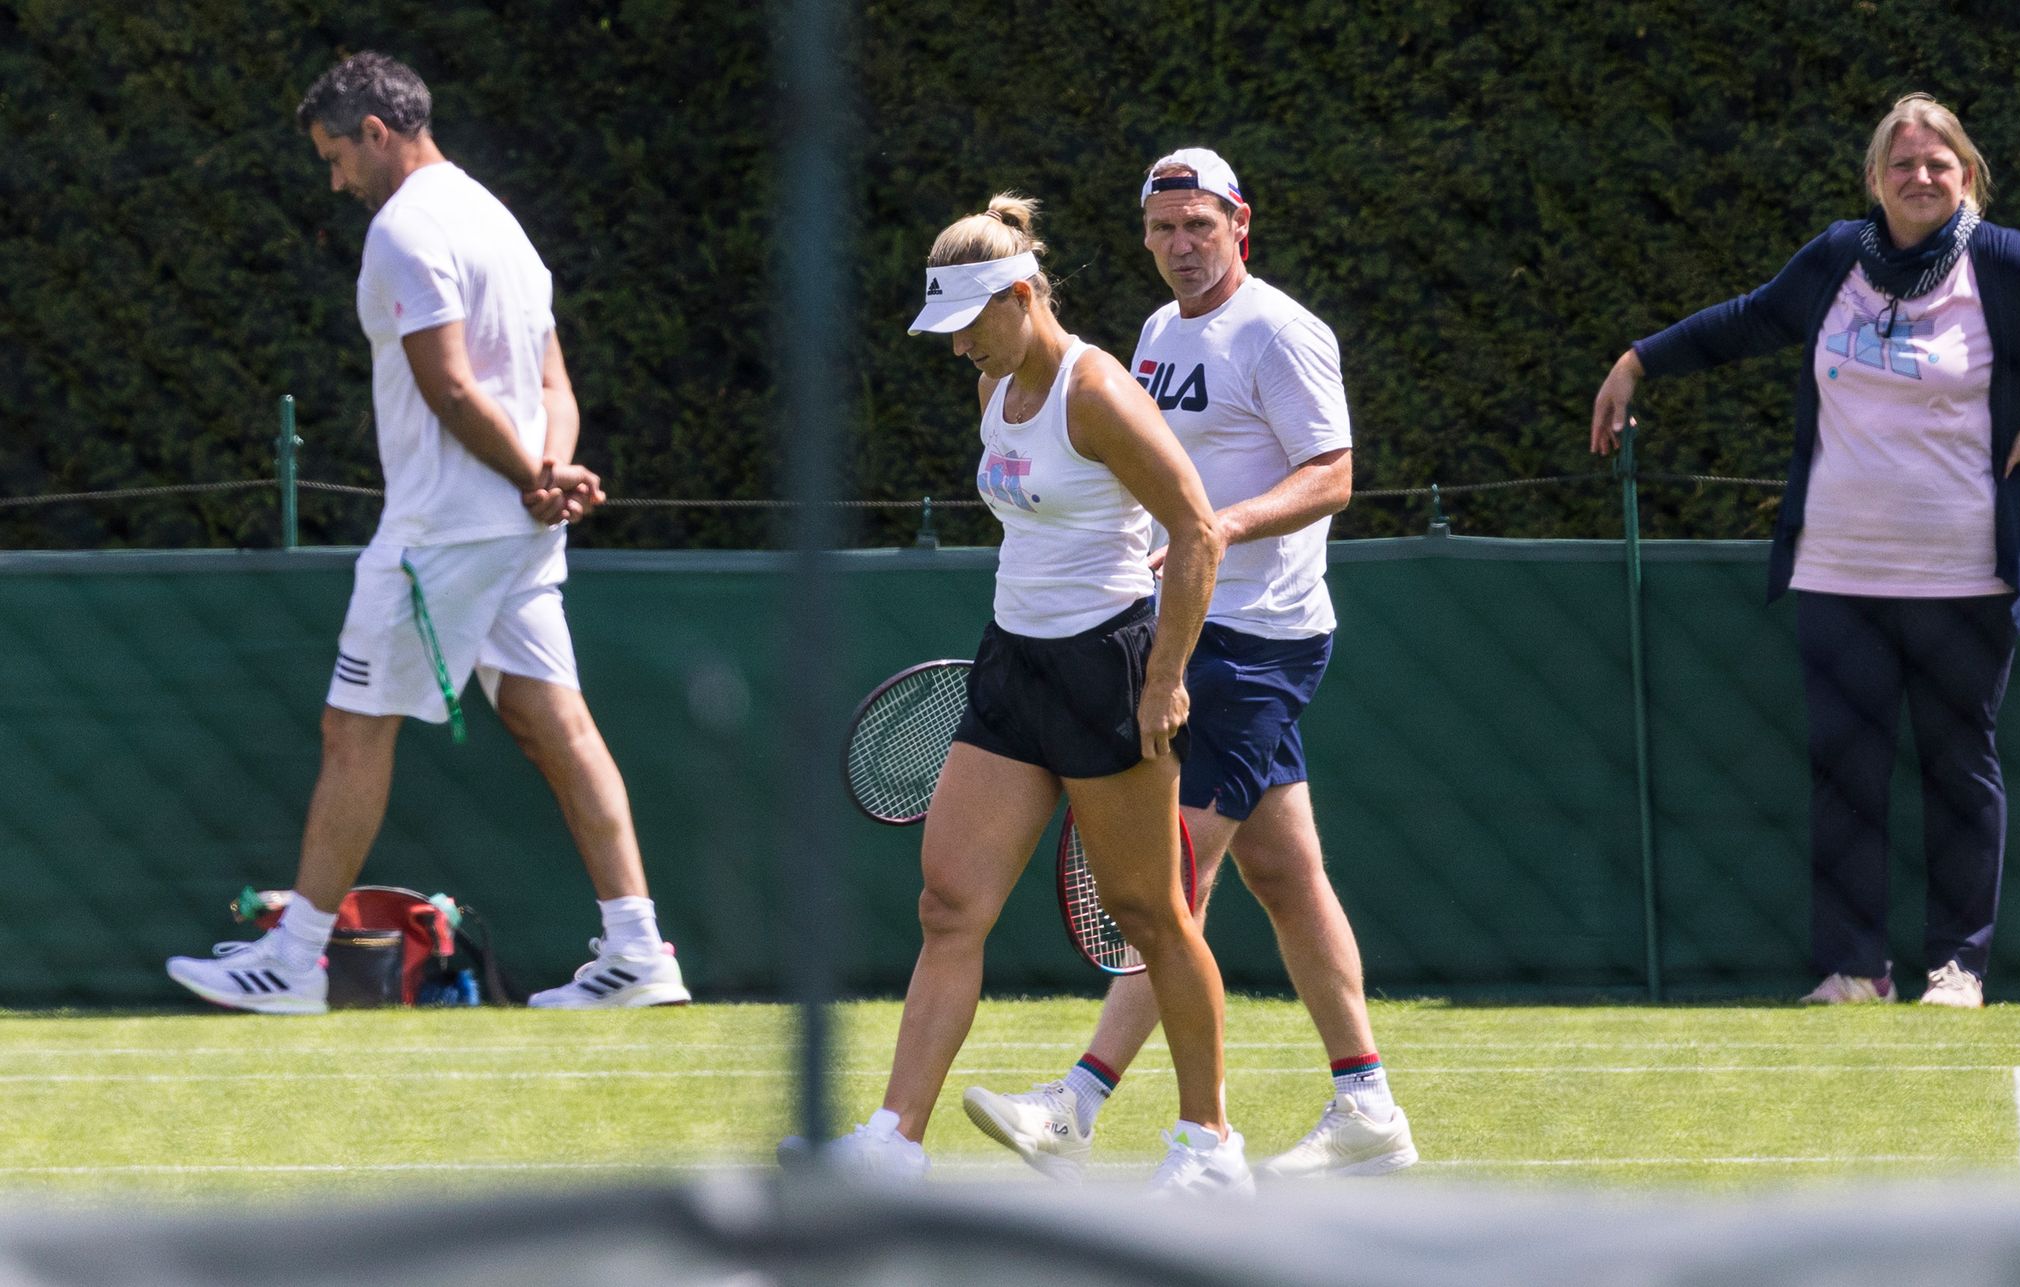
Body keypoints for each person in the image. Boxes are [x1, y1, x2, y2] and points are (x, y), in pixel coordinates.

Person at [166, 52, 688, 1014]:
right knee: (554, 723)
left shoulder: (405, 231)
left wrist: (537, 475)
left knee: (353, 730)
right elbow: (551, 391)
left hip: (443, 534)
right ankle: (639, 949)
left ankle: (294, 960)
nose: (334, 180)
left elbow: (450, 385)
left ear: (375, 131)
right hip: (519, 528)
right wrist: (553, 477)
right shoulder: (502, 222)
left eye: (335, 157)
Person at [961, 149, 1418, 1180]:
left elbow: (1335, 474)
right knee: (1284, 873)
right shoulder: (1159, 334)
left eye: (1198, 227)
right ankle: (1367, 1105)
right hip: (1178, 623)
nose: (1179, 247)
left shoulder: (1281, 331)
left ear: (1239, 223)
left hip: (1258, 637)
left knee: (1172, 884)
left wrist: (1221, 524)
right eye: (1162, 230)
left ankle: (1077, 1105)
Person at [787, 193, 1242, 1192]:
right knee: (948, 903)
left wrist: (1163, 681)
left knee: (1150, 913)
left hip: (1106, 671)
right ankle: (891, 1147)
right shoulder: (993, 382)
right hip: (1011, 663)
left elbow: (1197, 531)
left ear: (1021, 296)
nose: (954, 350)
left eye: (965, 327)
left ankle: (1208, 1146)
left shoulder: (1098, 393)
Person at [1590, 93, 2020, 1009]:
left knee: (1961, 769)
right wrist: (1639, 359)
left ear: (1968, 177)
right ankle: (1856, 970)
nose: (1920, 178)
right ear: (1875, 177)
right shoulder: (1839, 256)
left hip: (1967, 572)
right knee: (1846, 772)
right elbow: (1751, 319)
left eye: (1939, 165)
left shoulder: (2005, 262)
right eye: (1902, 164)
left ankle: (1959, 967)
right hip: (1837, 570)